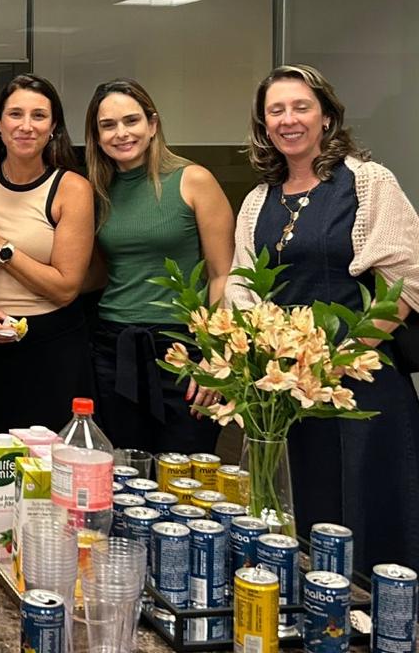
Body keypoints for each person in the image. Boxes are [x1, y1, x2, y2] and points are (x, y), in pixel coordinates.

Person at [226, 64, 419, 573]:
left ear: (327, 117)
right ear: (264, 125)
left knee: (367, 527)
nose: (288, 120)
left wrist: (336, 363)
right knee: (299, 519)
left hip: (361, 384)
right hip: (289, 392)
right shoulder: (258, 200)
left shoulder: (368, 182)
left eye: (301, 107)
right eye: (276, 111)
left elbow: (404, 284)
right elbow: (242, 290)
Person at [83, 79, 233, 454]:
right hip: (113, 348)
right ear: (97, 136)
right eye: (108, 125)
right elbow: (96, 272)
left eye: (131, 121)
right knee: (123, 468)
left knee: (186, 465)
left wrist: (216, 355)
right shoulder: (96, 191)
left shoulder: (193, 180)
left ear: (152, 124)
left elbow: (223, 274)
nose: (121, 133)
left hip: (184, 349)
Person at [0, 74, 95, 457]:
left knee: (46, 464)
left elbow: (65, 287)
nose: (26, 126)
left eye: (39, 116)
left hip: (51, 348)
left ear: (53, 128)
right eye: (15, 114)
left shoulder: (71, 188)